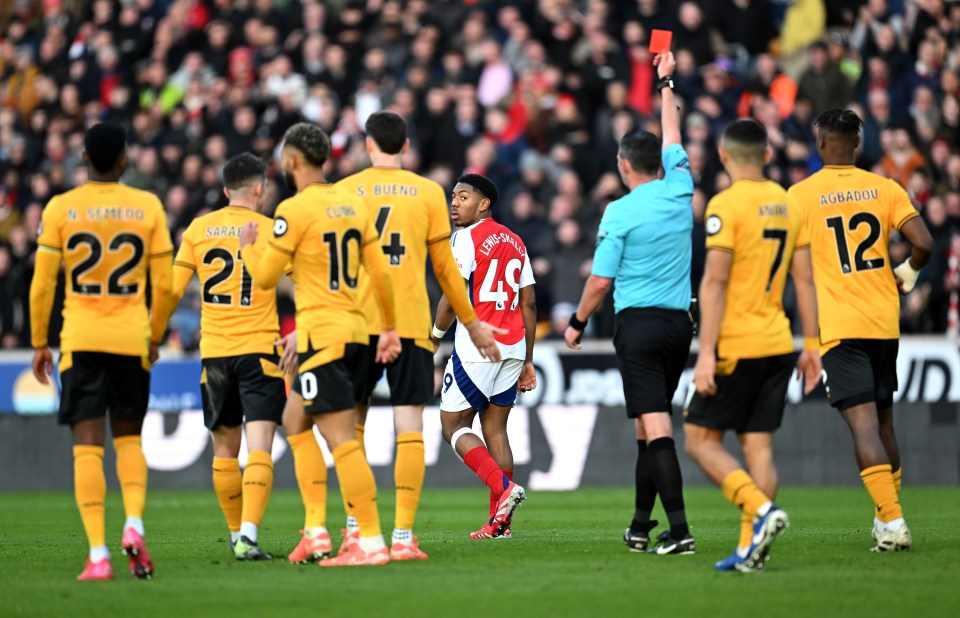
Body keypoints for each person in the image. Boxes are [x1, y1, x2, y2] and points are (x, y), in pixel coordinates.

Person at [330, 111, 502, 560]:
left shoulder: (344, 191)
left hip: (356, 325)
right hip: (409, 325)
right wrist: (473, 322)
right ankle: (403, 538)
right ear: (405, 146)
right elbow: (446, 271)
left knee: (352, 426)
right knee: (409, 427)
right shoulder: (427, 193)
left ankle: (357, 533)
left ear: (368, 145)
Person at [238, 122, 401, 567]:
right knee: (295, 421)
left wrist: (250, 247)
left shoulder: (294, 210)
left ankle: (369, 540)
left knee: (342, 440)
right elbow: (380, 271)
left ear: (292, 161)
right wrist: (387, 328)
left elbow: (267, 278)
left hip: (322, 336)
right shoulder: (352, 202)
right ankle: (315, 532)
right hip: (357, 332)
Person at [564, 51, 696, 555]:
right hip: (679, 325)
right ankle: (641, 525)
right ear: (659, 163)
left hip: (638, 326)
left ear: (622, 166)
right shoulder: (680, 187)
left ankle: (680, 531)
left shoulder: (618, 212)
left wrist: (577, 322)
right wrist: (666, 84)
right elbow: (675, 136)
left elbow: (600, 282)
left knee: (656, 424)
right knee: (648, 424)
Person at [29, 122, 173, 581]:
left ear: (84, 159)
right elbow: (166, 284)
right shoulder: (147, 205)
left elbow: (42, 284)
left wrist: (38, 341)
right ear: (125, 161)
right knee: (129, 439)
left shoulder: (61, 208)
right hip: (132, 339)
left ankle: (98, 555)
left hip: (82, 341)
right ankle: (133, 524)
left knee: (87, 449)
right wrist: (154, 335)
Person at [787, 109, 935, 552]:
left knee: (863, 427)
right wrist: (907, 273)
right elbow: (924, 243)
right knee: (884, 423)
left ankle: (893, 522)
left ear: (820, 145)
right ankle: (884, 519)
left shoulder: (801, 195)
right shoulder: (886, 187)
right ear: (857, 144)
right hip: (883, 323)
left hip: (840, 326)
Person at [683, 119, 821, 572]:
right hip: (780, 341)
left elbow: (716, 280)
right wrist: (813, 343)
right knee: (758, 447)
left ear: (723, 156)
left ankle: (761, 511)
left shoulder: (725, 205)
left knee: (700, 440)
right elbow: (805, 278)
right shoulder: (787, 202)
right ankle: (751, 549)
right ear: (765, 154)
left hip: (737, 345)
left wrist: (706, 352)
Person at [164, 153, 288, 561]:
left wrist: (151, 336)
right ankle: (248, 535)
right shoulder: (271, 230)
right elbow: (301, 285)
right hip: (260, 350)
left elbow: (170, 290)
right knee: (260, 448)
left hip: (214, 354)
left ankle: (236, 533)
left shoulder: (198, 229)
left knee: (224, 451)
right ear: (259, 189)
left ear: (223, 190)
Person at [432, 174, 537, 538]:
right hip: (513, 346)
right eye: (453, 197)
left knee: (452, 428)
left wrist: (434, 337)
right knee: (495, 428)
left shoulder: (465, 238)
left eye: (463, 196)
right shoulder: (516, 241)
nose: (454, 203)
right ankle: (500, 524)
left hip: (479, 346)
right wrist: (527, 359)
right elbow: (529, 303)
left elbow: (451, 295)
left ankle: (504, 490)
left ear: (484, 203)